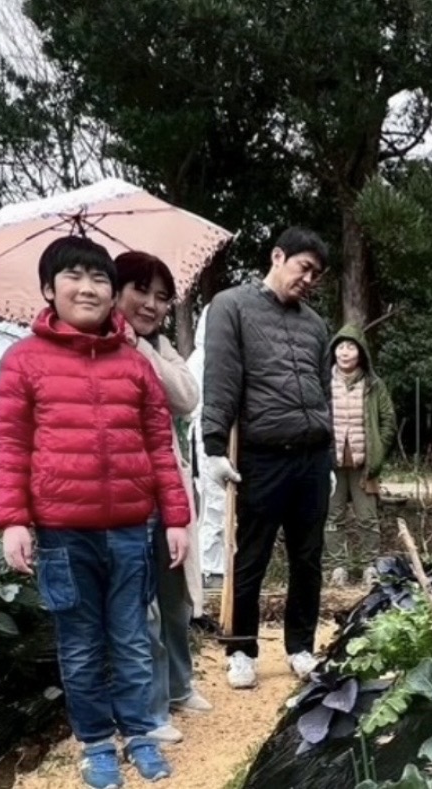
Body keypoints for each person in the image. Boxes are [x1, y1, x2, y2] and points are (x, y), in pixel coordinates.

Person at [0, 236, 190, 788]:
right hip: (62, 534)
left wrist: (175, 518)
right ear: (48, 290)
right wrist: (13, 520)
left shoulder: (134, 363)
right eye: (74, 276)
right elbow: (10, 445)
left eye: (100, 278)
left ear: (112, 292)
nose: (88, 287)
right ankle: (97, 744)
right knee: (80, 647)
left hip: (131, 528)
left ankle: (141, 734)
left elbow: (159, 444)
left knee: (131, 639)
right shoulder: (23, 361)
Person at [201, 227, 333, 689]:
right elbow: (221, 379)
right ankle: (241, 648)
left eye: (316, 274)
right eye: (304, 267)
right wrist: (214, 446)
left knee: (309, 558)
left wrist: (330, 457)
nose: (309, 279)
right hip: (262, 456)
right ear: (278, 256)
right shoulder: (231, 306)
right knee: (250, 557)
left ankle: (301, 646)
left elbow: (323, 392)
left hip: (313, 457)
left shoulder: (316, 324)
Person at [114, 251, 212, 745]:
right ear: (116, 291)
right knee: (141, 607)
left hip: (167, 487)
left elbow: (186, 395)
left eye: (161, 296)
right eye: (140, 291)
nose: (152, 304)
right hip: (124, 495)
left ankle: (179, 684)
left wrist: (142, 347)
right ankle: (151, 709)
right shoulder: (99, 347)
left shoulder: (159, 345)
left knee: (175, 599)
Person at [325, 324, 396, 581]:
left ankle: (369, 566)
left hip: (364, 464)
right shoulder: (324, 382)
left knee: (367, 517)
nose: (345, 353)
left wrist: (378, 448)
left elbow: (389, 419)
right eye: (340, 347)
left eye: (351, 347)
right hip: (331, 463)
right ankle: (337, 567)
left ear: (360, 352)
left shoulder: (373, 384)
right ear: (334, 352)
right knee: (333, 516)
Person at [187, 304, 226, 587]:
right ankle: (209, 569)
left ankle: (222, 564)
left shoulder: (228, 358)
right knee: (213, 504)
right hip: (204, 436)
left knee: (225, 505)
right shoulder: (200, 360)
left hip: (224, 437)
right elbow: (190, 402)